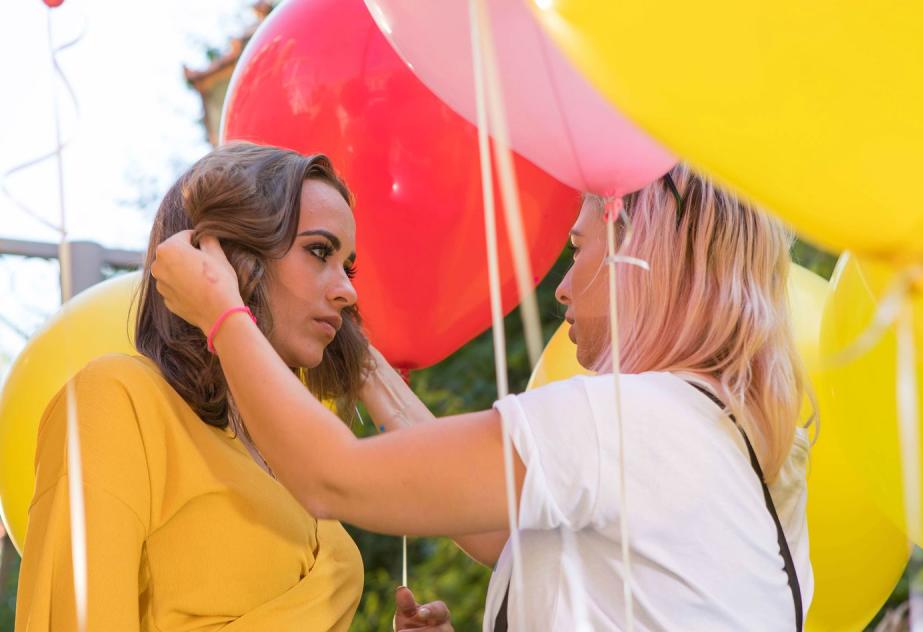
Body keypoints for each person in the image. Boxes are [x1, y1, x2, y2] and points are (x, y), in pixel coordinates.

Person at [152, 163, 815, 631]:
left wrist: (220, 309)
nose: (560, 288)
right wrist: (366, 370)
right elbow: (512, 538)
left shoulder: (627, 420)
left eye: (577, 250)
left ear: (638, 257)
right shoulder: (719, 443)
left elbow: (334, 480)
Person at [16, 142, 452, 632]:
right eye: (319, 251)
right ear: (225, 255)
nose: (348, 290)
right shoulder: (117, 399)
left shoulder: (294, 456)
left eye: (347, 267)